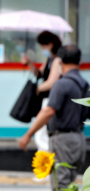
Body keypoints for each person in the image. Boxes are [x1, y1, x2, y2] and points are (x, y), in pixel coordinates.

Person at [18, 45, 90, 191]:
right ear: (80, 61)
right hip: (80, 141)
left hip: (62, 141)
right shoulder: (86, 86)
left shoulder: (61, 85)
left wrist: (28, 134)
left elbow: (48, 112)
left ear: (60, 62)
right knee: (68, 185)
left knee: (61, 189)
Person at [21, 31, 63, 169]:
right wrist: (29, 63)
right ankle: (46, 168)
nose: (43, 49)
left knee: (41, 135)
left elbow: (51, 82)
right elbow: (40, 73)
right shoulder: (50, 59)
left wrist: (38, 88)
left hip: (50, 100)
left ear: (50, 44)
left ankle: (45, 168)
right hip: (46, 100)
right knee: (42, 134)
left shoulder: (57, 60)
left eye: (43, 46)